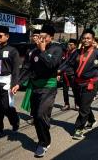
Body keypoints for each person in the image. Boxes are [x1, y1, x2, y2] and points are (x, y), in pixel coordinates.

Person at [12, 25, 63, 158]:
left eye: (44, 37)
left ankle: (44, 143)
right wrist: (18, 83)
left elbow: (51, 65)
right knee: (36, 116)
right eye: (39, 37)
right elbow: (27, 69)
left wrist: (43, 50)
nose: (40, 39)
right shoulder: (32, 51)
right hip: (35, 87)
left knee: (41, 115)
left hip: (48, 87)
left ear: (51, 37)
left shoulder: (57, 49)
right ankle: (43, 136)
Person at [59, 29, 98, 140]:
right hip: (77, 83)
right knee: (82, 105)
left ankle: (78, 129)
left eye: (88, 38)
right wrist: (58, 70)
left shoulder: (97, 53)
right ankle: (92, 120)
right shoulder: (77, 52)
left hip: (90, 84)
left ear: (93, 39)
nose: (86, 40)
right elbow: (68, 63)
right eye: (84, 38)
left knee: (83, 107)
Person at [0, 26, 20, 139]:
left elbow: (16, 69)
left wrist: (15, 84)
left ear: (7, 36)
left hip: (6, 82)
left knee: (6, 107)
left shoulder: (12, 51)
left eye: (0, 36)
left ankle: (15, 121)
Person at [58, 39, 78, 111]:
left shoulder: (77, 53)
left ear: (75, 45)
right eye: (68, 44)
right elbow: (62, 63)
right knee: (65, 90)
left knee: (75, 90)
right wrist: (59, 74)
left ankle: (77, 104)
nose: (69, 46)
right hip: (65, 74)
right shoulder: (66, 53)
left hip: (73, 74)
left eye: (71, 45)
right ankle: (66, 104)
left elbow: (71, 63)